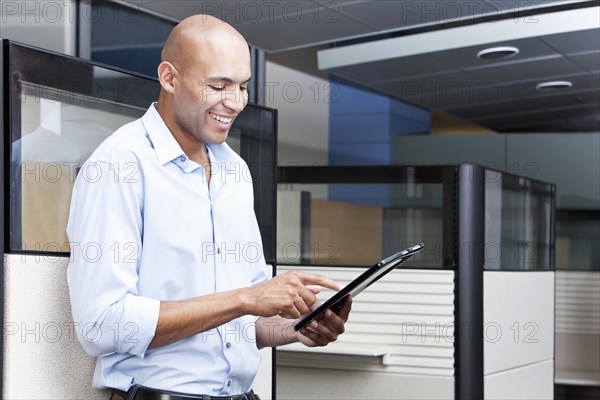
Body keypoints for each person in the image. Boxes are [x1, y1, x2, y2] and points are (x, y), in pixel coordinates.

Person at [66, 14, 351, 400]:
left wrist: (299, 327)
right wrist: (244, 299)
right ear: (169, 77)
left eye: (243, 87)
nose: (234, 103)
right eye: (218, 85)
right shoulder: (119, 165)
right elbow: (102, 326)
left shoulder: (236, 170)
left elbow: (243, 321)